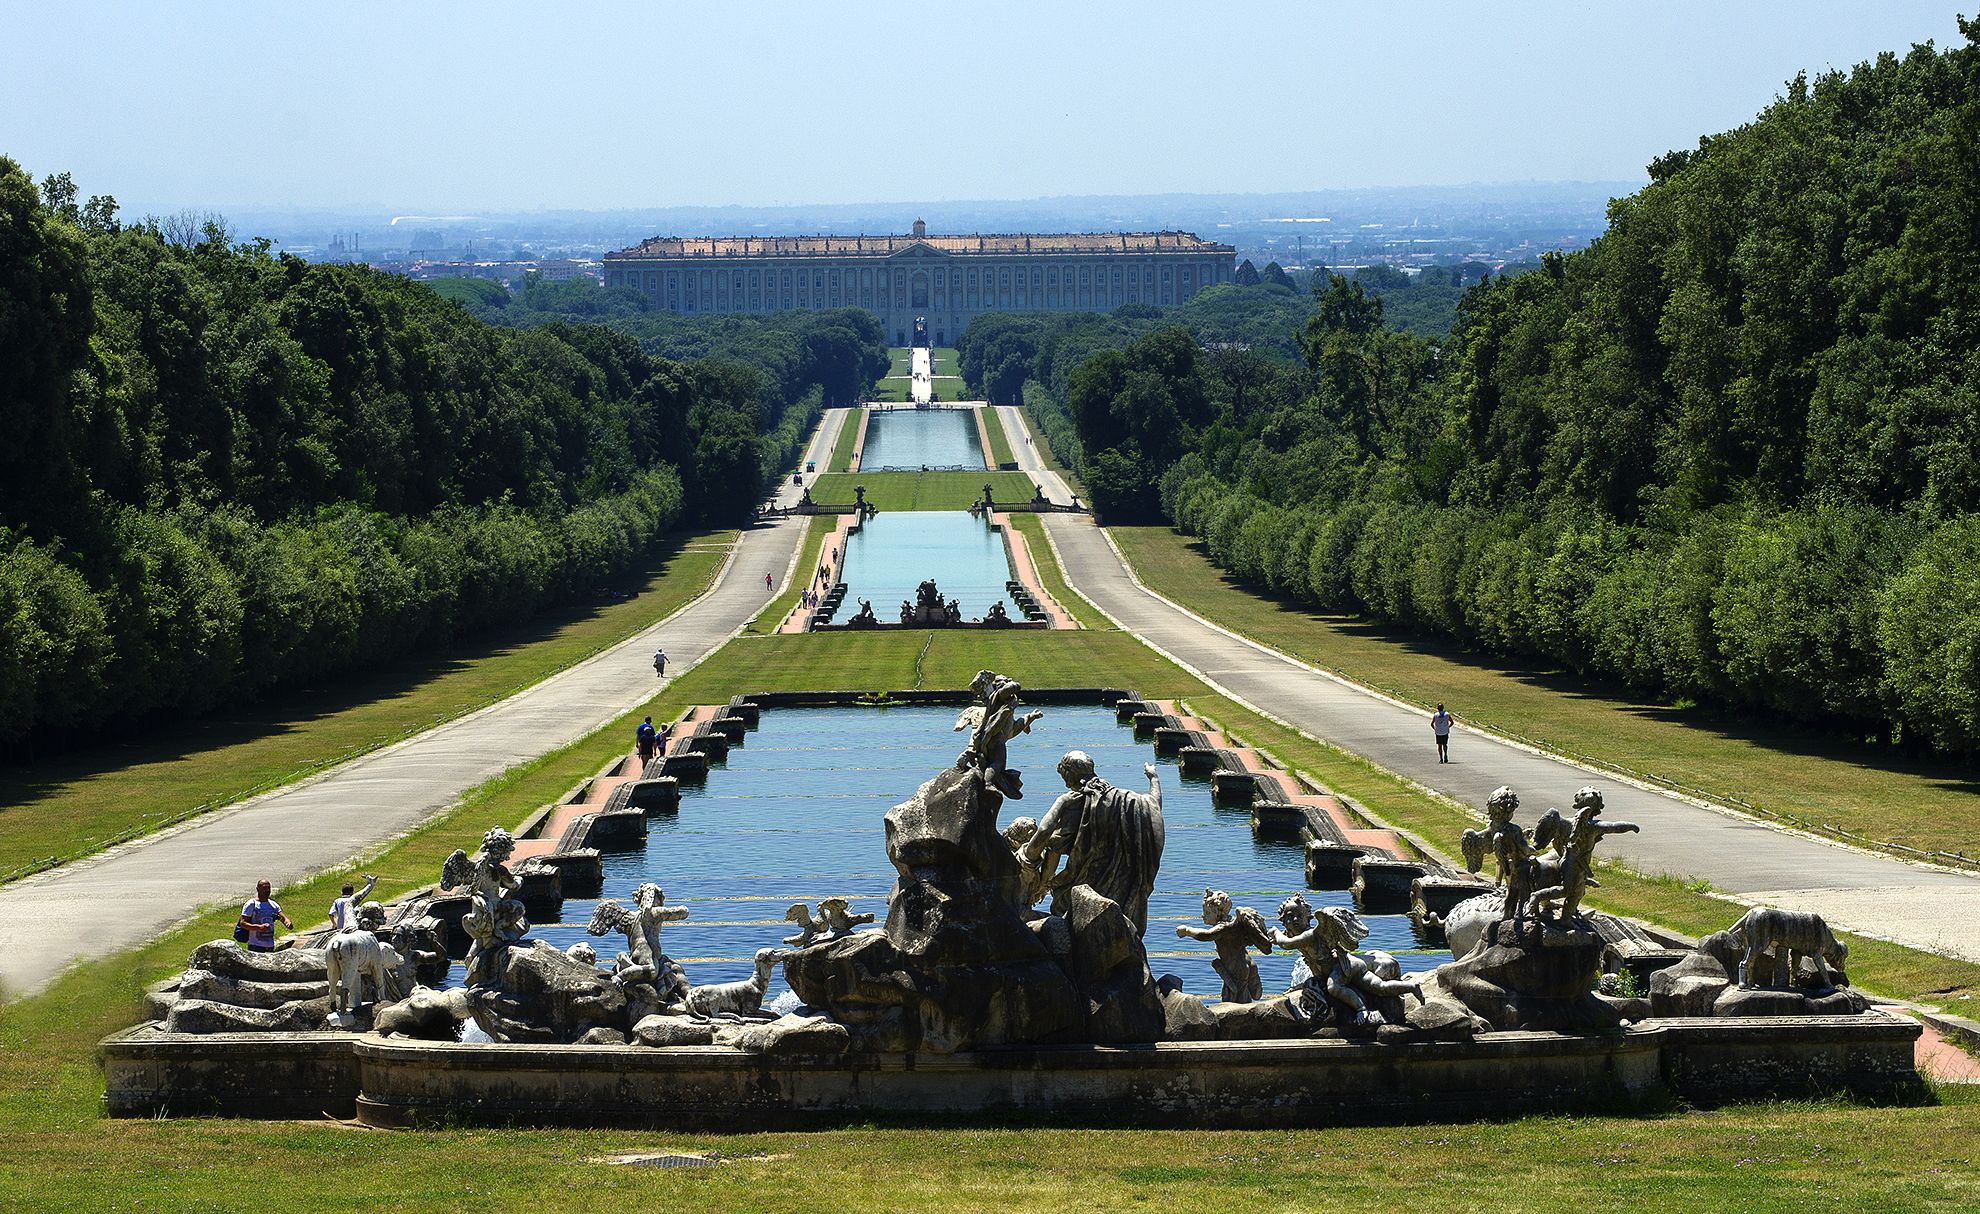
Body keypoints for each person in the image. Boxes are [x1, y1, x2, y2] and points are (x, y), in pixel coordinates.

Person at [238, 879, 293, 952]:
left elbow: (283, 918)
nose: (267, 890)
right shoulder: (251, 904)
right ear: (257, 889)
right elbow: (243, 923)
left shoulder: (273, 905)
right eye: (264, 888)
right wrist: (259, 927)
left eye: (268, 888)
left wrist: (287, 923)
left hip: (270, 946)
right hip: (255, 946)